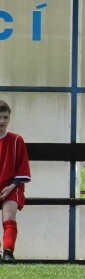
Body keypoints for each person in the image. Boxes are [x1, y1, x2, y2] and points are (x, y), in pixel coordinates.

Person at [0, 100, 31, 264]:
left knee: (9, 214)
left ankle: (8, 252)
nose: (2, 121)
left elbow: (22, 170)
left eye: (5, 117)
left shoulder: (16, 140)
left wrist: (10, 187)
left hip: (12, 186)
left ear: (9, 118)